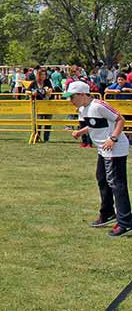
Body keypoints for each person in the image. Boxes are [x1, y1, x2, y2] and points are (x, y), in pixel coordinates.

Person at [66, 81, 131, 237]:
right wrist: (80, 132)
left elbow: (120, 119)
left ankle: (125, 222)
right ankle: (108, 213)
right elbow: (94, 125)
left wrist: (113, 138)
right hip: (103, 150)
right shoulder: (83, 109)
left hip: (115, 149)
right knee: (102, 179)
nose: (70, 100)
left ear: (82, 94)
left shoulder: (99, 105)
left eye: (72, 97)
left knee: (117, 183)